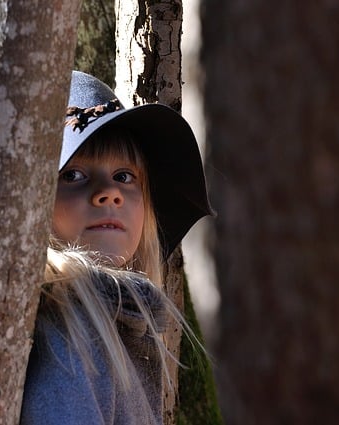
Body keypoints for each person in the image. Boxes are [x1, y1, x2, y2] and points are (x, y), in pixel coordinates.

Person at [20, 71, 214, 425]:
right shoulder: (67, 328)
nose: (109, 193)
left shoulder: (117, 318)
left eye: (124, 176)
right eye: (72, 175)